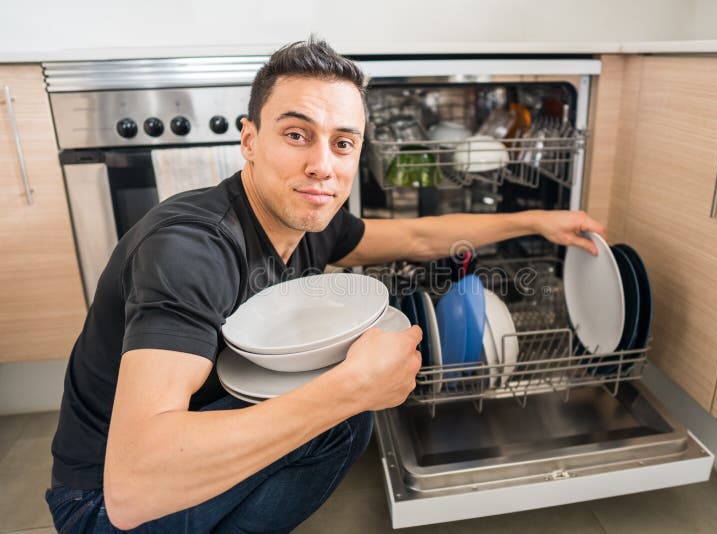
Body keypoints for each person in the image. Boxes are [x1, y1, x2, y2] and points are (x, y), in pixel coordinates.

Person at [45, 38, 607, 533]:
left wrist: (534, 220)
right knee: (345, 415)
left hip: (163, 471)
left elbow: (415, 237)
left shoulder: (306, 220)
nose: (322, 165)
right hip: (98, 507)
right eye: (297, 135)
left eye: (343, 143)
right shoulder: (192, 247)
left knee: (343, 422)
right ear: (249, 140)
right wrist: (350, 389)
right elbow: (131, 489)